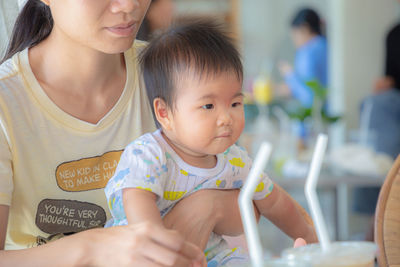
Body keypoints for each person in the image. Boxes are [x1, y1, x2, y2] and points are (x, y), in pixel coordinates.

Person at [0, 1, 261, 266]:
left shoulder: (174, 72)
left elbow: (250, 201)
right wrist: (95, 248)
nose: (130, 4)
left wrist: (207, 206)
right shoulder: (6, 102)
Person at [104, 21, 318, 266]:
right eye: (208, 106)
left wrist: (312, 239)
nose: (226, 118)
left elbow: (276, 202)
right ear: (164, 113)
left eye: (235, 103)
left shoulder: (235, 160)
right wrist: (161, 252)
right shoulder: (148, 155)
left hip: (212, 255)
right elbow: (138, 207)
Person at [279, 8, 328, 108]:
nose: (293, 41)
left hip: (311, 118)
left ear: (305, 29)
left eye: (294, 35)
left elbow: (309, 97)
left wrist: (290, 75)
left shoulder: (306, 52)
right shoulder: (325, 45)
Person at [374, 22, 400, 92]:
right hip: (397, 92)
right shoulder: (394, 34)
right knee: (373, 100)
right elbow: (389, 77)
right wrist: (384, 84)